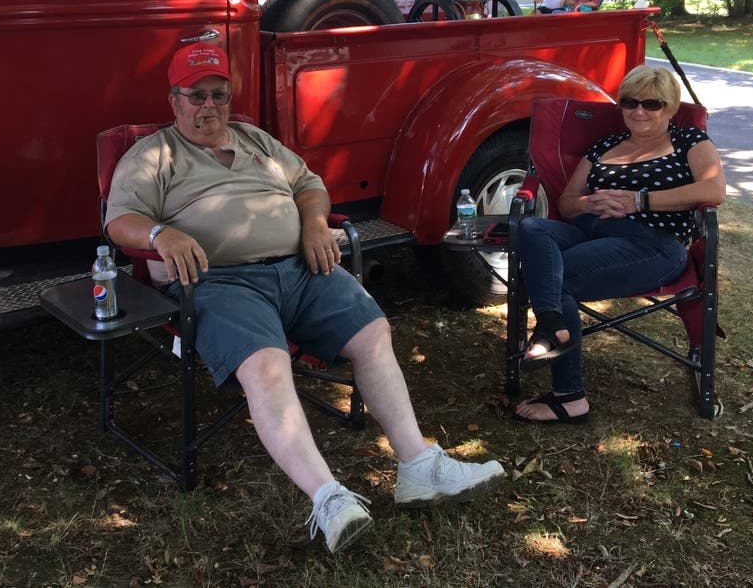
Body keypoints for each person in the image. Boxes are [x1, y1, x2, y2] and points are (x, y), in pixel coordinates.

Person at [104, 44, 506, 552]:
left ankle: (418, 466)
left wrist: (315, 222)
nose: (209, 106)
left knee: (374, 333)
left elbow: (309, 186)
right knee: (268, 366)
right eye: (196, 95)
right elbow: (120, 221)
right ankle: (328, 498)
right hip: (220, 281)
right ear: (174, 101)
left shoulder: (256, 140)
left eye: (219, 95)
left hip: (301, 267)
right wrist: (162, 233)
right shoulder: (153, 155)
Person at [513, 64, 727, 424]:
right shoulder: (605, 146)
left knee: (555, 276)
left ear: (670, 107)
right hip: (589, 229)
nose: (638, 111)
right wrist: (591, 202)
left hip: (653, 243)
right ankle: (552, 324)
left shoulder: (690, 141)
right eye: (630, 102)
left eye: (651, 104)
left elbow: (713, 190)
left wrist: (638, 201)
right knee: (531, 228)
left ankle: (570, 396)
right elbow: (566, 202)